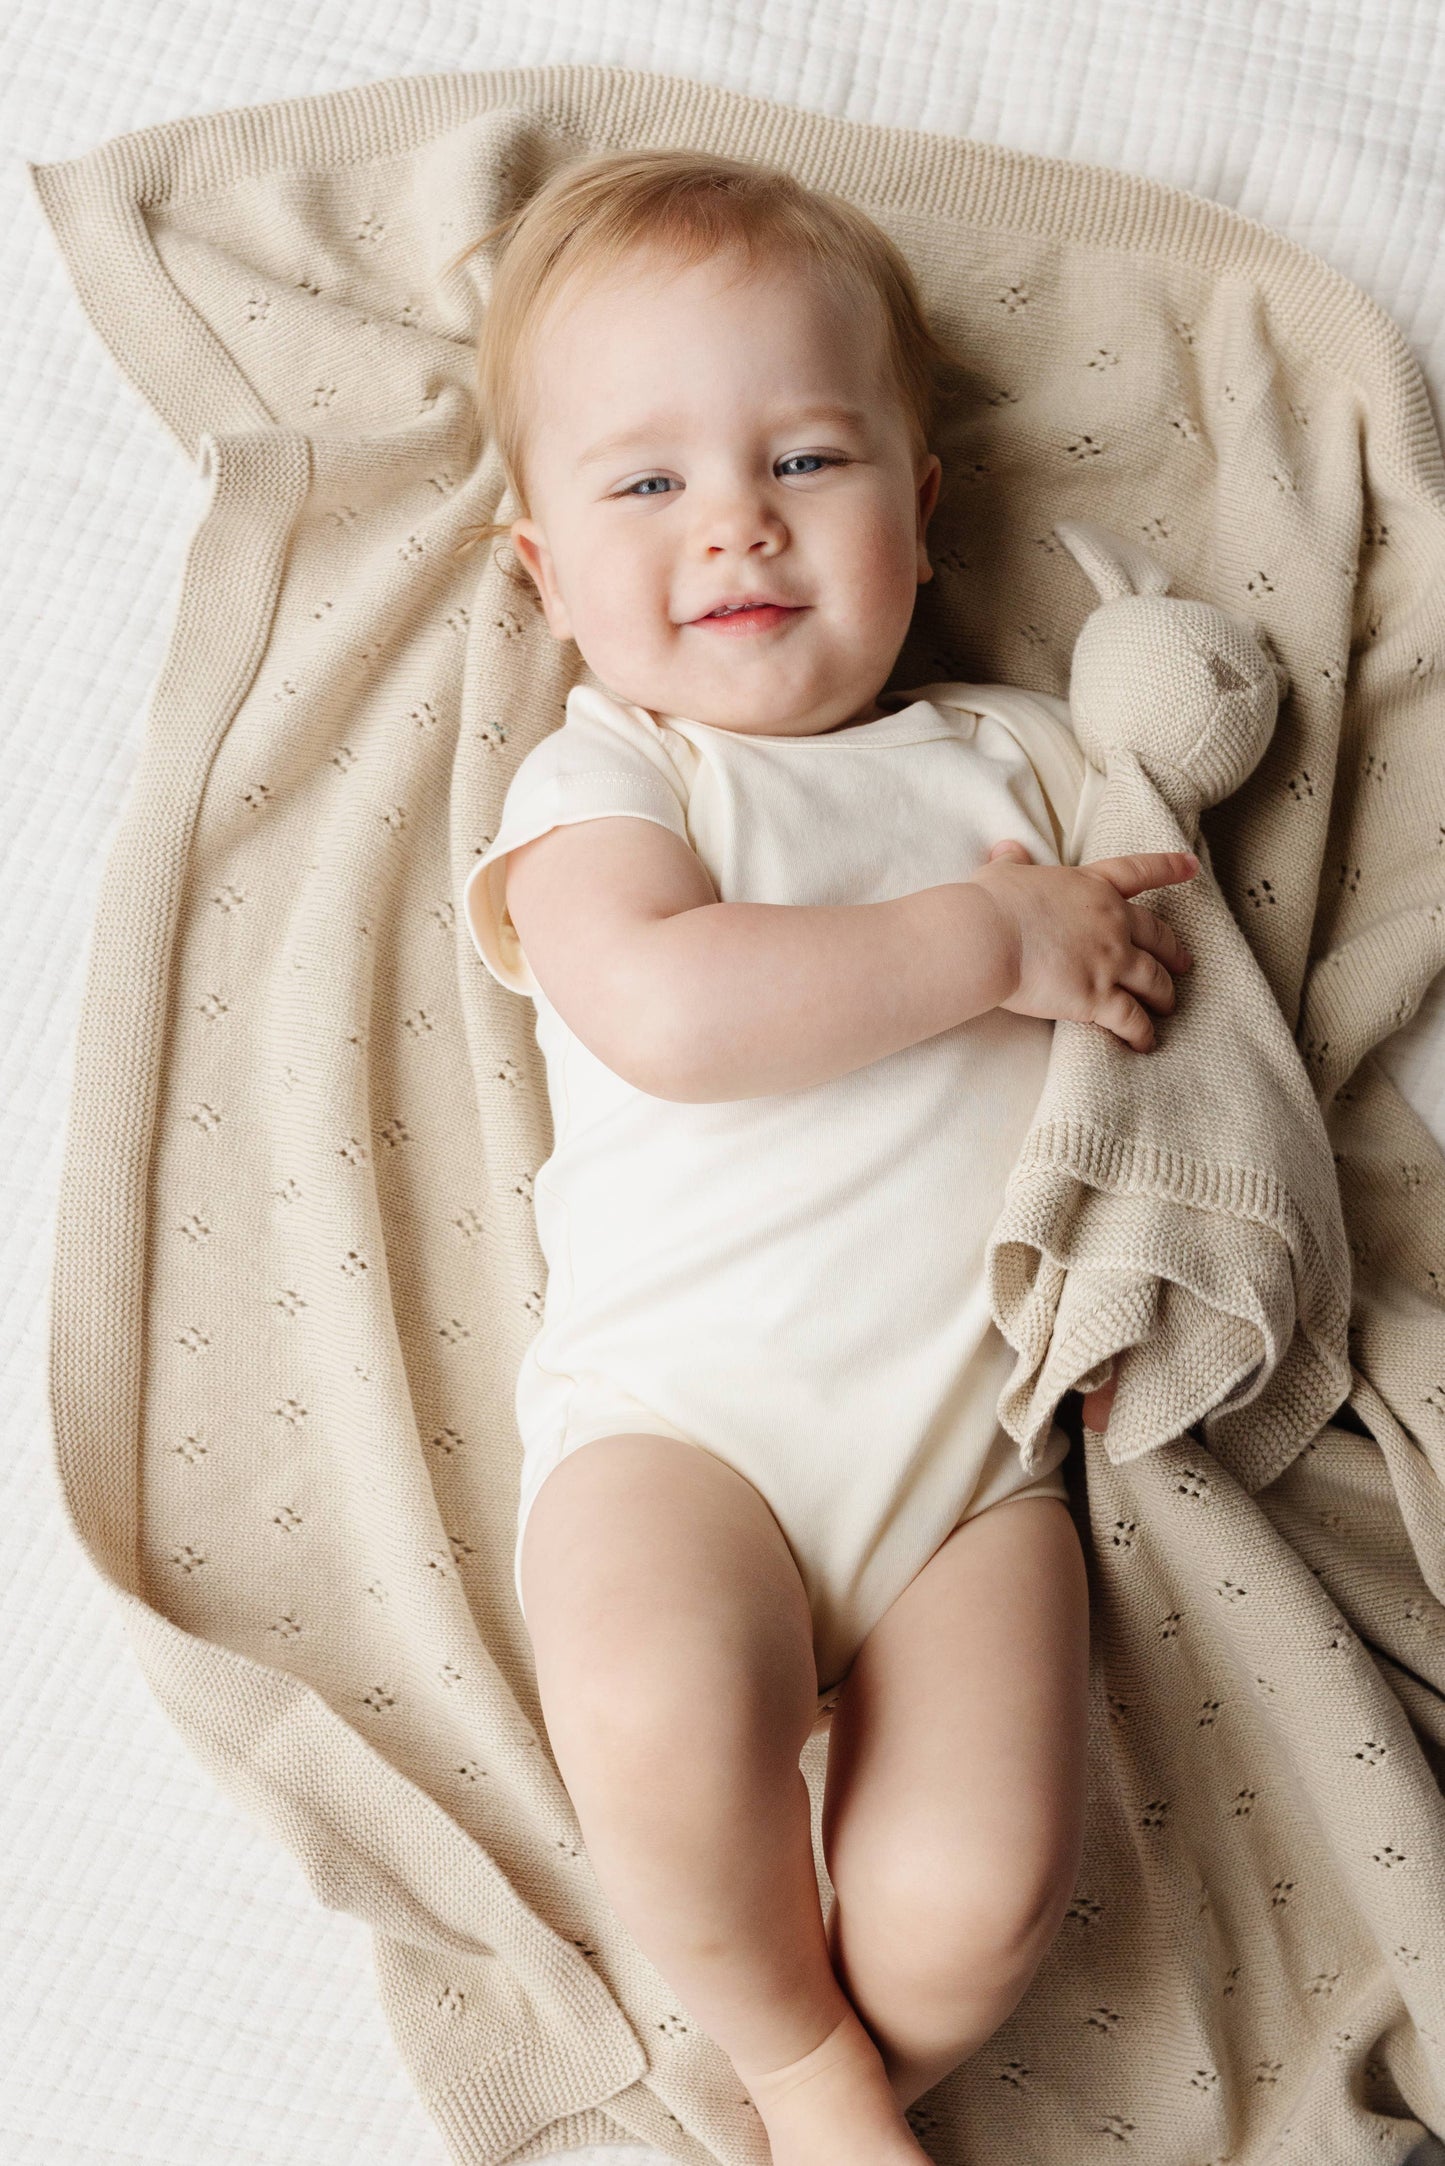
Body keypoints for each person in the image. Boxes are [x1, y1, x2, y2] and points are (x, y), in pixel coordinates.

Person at [452, 147, 1192, 2166]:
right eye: (647, 485)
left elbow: (1164, 1055)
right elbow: (674, 1014)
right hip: (686, 1434)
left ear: (920, 503)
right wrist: (988, 945)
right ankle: (797, 2070)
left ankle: (825, 2085)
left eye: (805, 459)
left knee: (983, 1894)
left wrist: (1150, 1252)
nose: (736, 529)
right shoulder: (618, 772)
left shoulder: (1018, 763)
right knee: (657, 1714)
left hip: (968, 1461)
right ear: (541, 570)